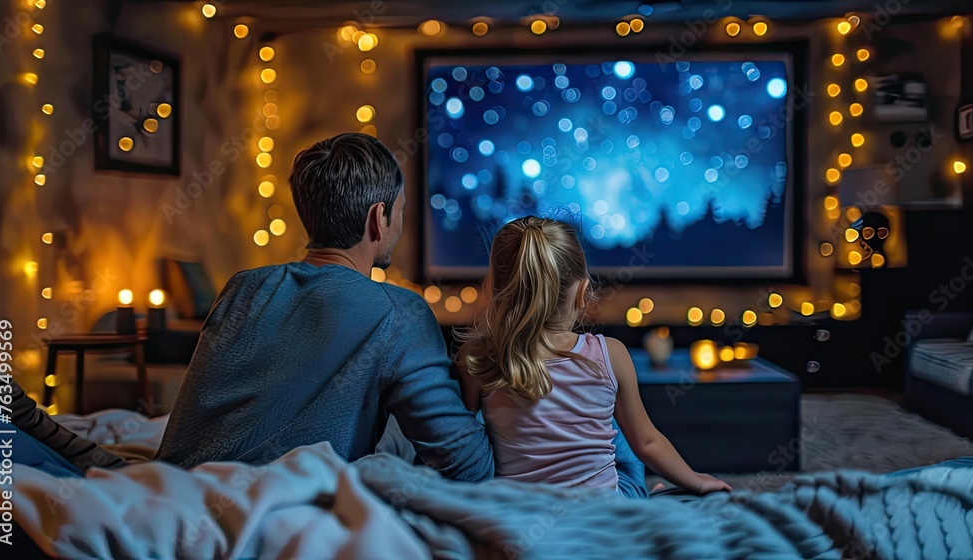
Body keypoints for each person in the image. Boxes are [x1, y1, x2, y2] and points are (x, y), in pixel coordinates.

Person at [157, 133, 494, 480]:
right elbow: (468, 466)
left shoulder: (241, 286)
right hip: (273, 513)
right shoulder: (400, 312)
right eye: (400, 210)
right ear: (378, 218)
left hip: (172, 491)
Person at [456, 216, 732, 495]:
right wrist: (696, 480)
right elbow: (647, 443)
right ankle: (653, 495)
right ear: (582, 291)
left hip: (524, 512)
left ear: (496, 289)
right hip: (607, 510)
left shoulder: (477, 358)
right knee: (614, 424)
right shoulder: (610, 354)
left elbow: (462, 439)